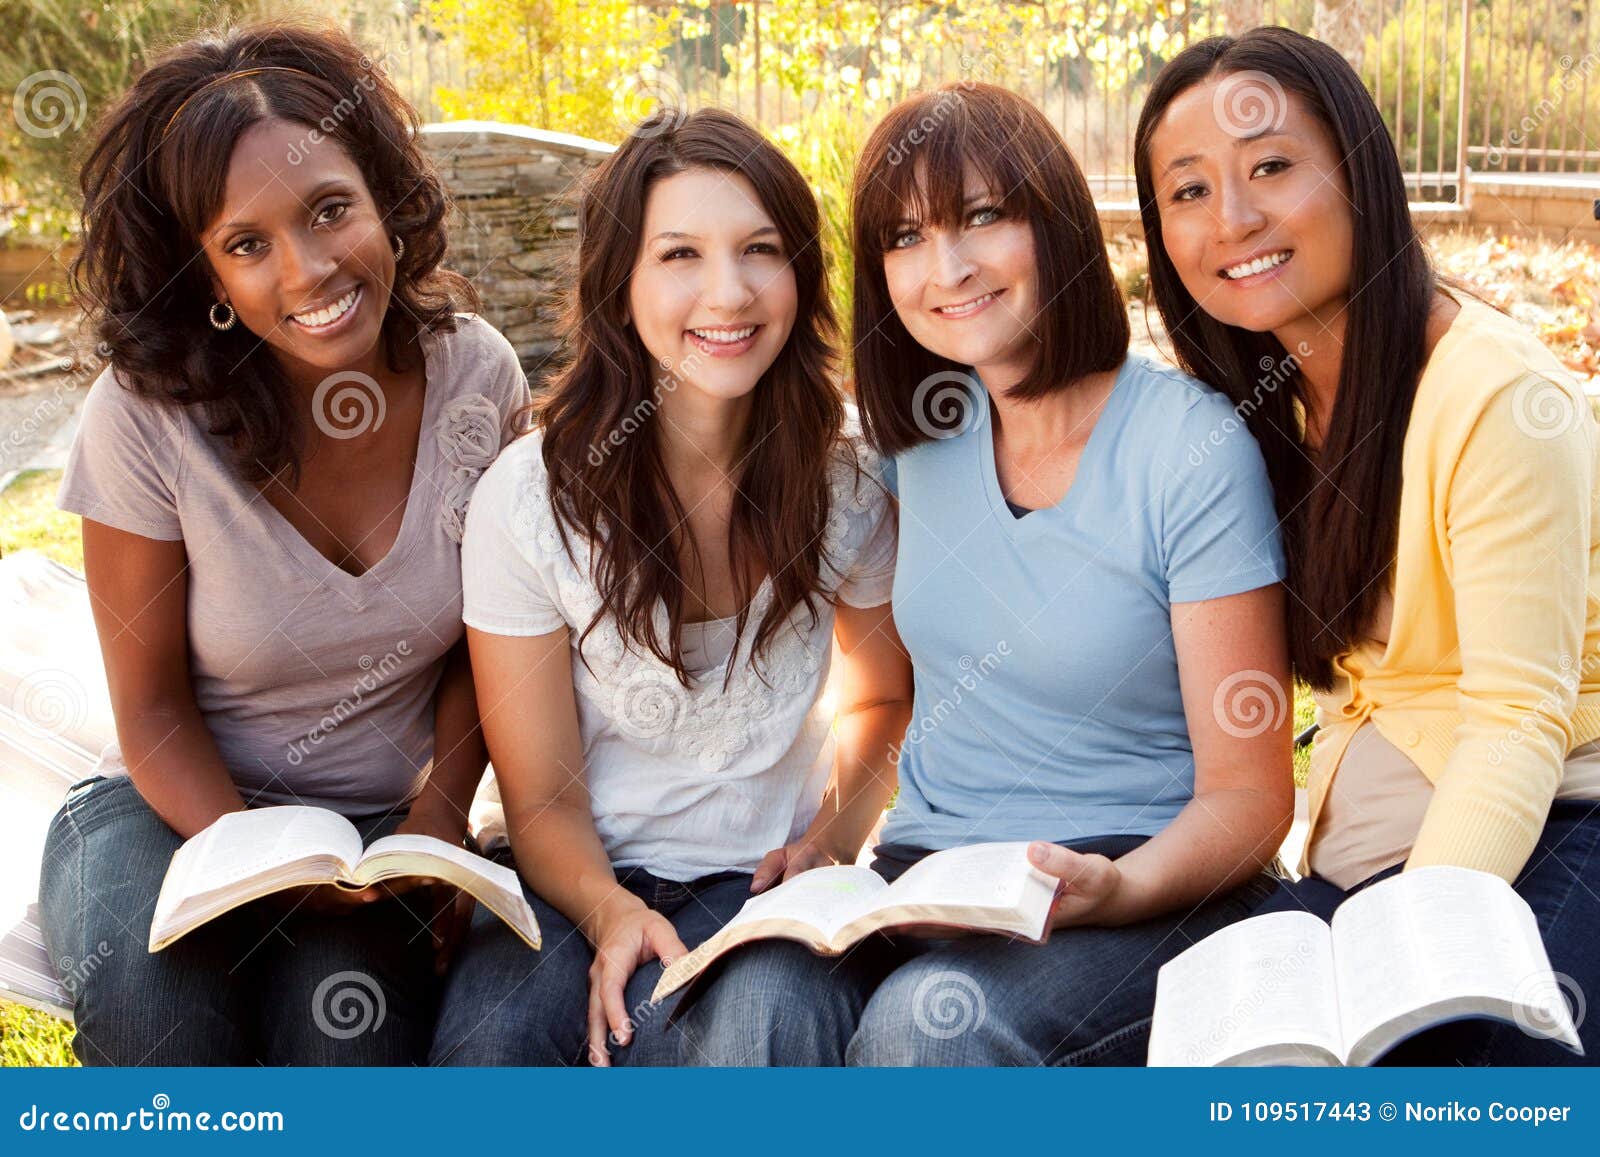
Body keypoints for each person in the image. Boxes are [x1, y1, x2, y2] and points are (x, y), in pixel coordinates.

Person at [677, 82, 1292, 1067]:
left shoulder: (1189, 446)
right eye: (906, 236)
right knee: (760, 998)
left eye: (981, 218)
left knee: (927, 1023)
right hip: (928, 877)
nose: (947, 267)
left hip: (1139, 884)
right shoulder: (908, 446)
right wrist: (832, 841)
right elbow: (886, 695)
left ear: (1052, 222)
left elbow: (1253, 798)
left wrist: (1115, 887)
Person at [40, 19, 528, 1065]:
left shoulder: (477, 380)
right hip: (171, 806)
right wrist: (262, 865)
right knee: (157, 1021)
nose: (309, 269)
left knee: (341, 1045)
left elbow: (490, 643)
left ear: (384, 200)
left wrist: (438, 823)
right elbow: (152, 704)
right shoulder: (143, 418)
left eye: (330, 210)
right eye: (247, 244)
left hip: (380, 836)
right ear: (207, 275)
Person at [1135, 25, 1600, 1064]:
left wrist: (1418, 943)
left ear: (1360, 174)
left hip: (1552, 814)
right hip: (1363, 849)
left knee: (1458, 1074)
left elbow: (1519, 719)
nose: (1235, 218)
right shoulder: (1260, 408)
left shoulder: (1496, 395)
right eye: (1190, 190)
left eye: (1268, 167)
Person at [428, 107, 910, 1067]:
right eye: (680, 254)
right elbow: (541, 797)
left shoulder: (849, 476)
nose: (727, 292)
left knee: (763, 1032)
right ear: (621, 283)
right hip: (570, 880)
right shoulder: (528, 498)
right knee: (492, 1054)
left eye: (761, 249)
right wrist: (613, 911)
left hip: (770, 878)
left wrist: (828, 841)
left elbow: (886, 697)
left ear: (801, 274)